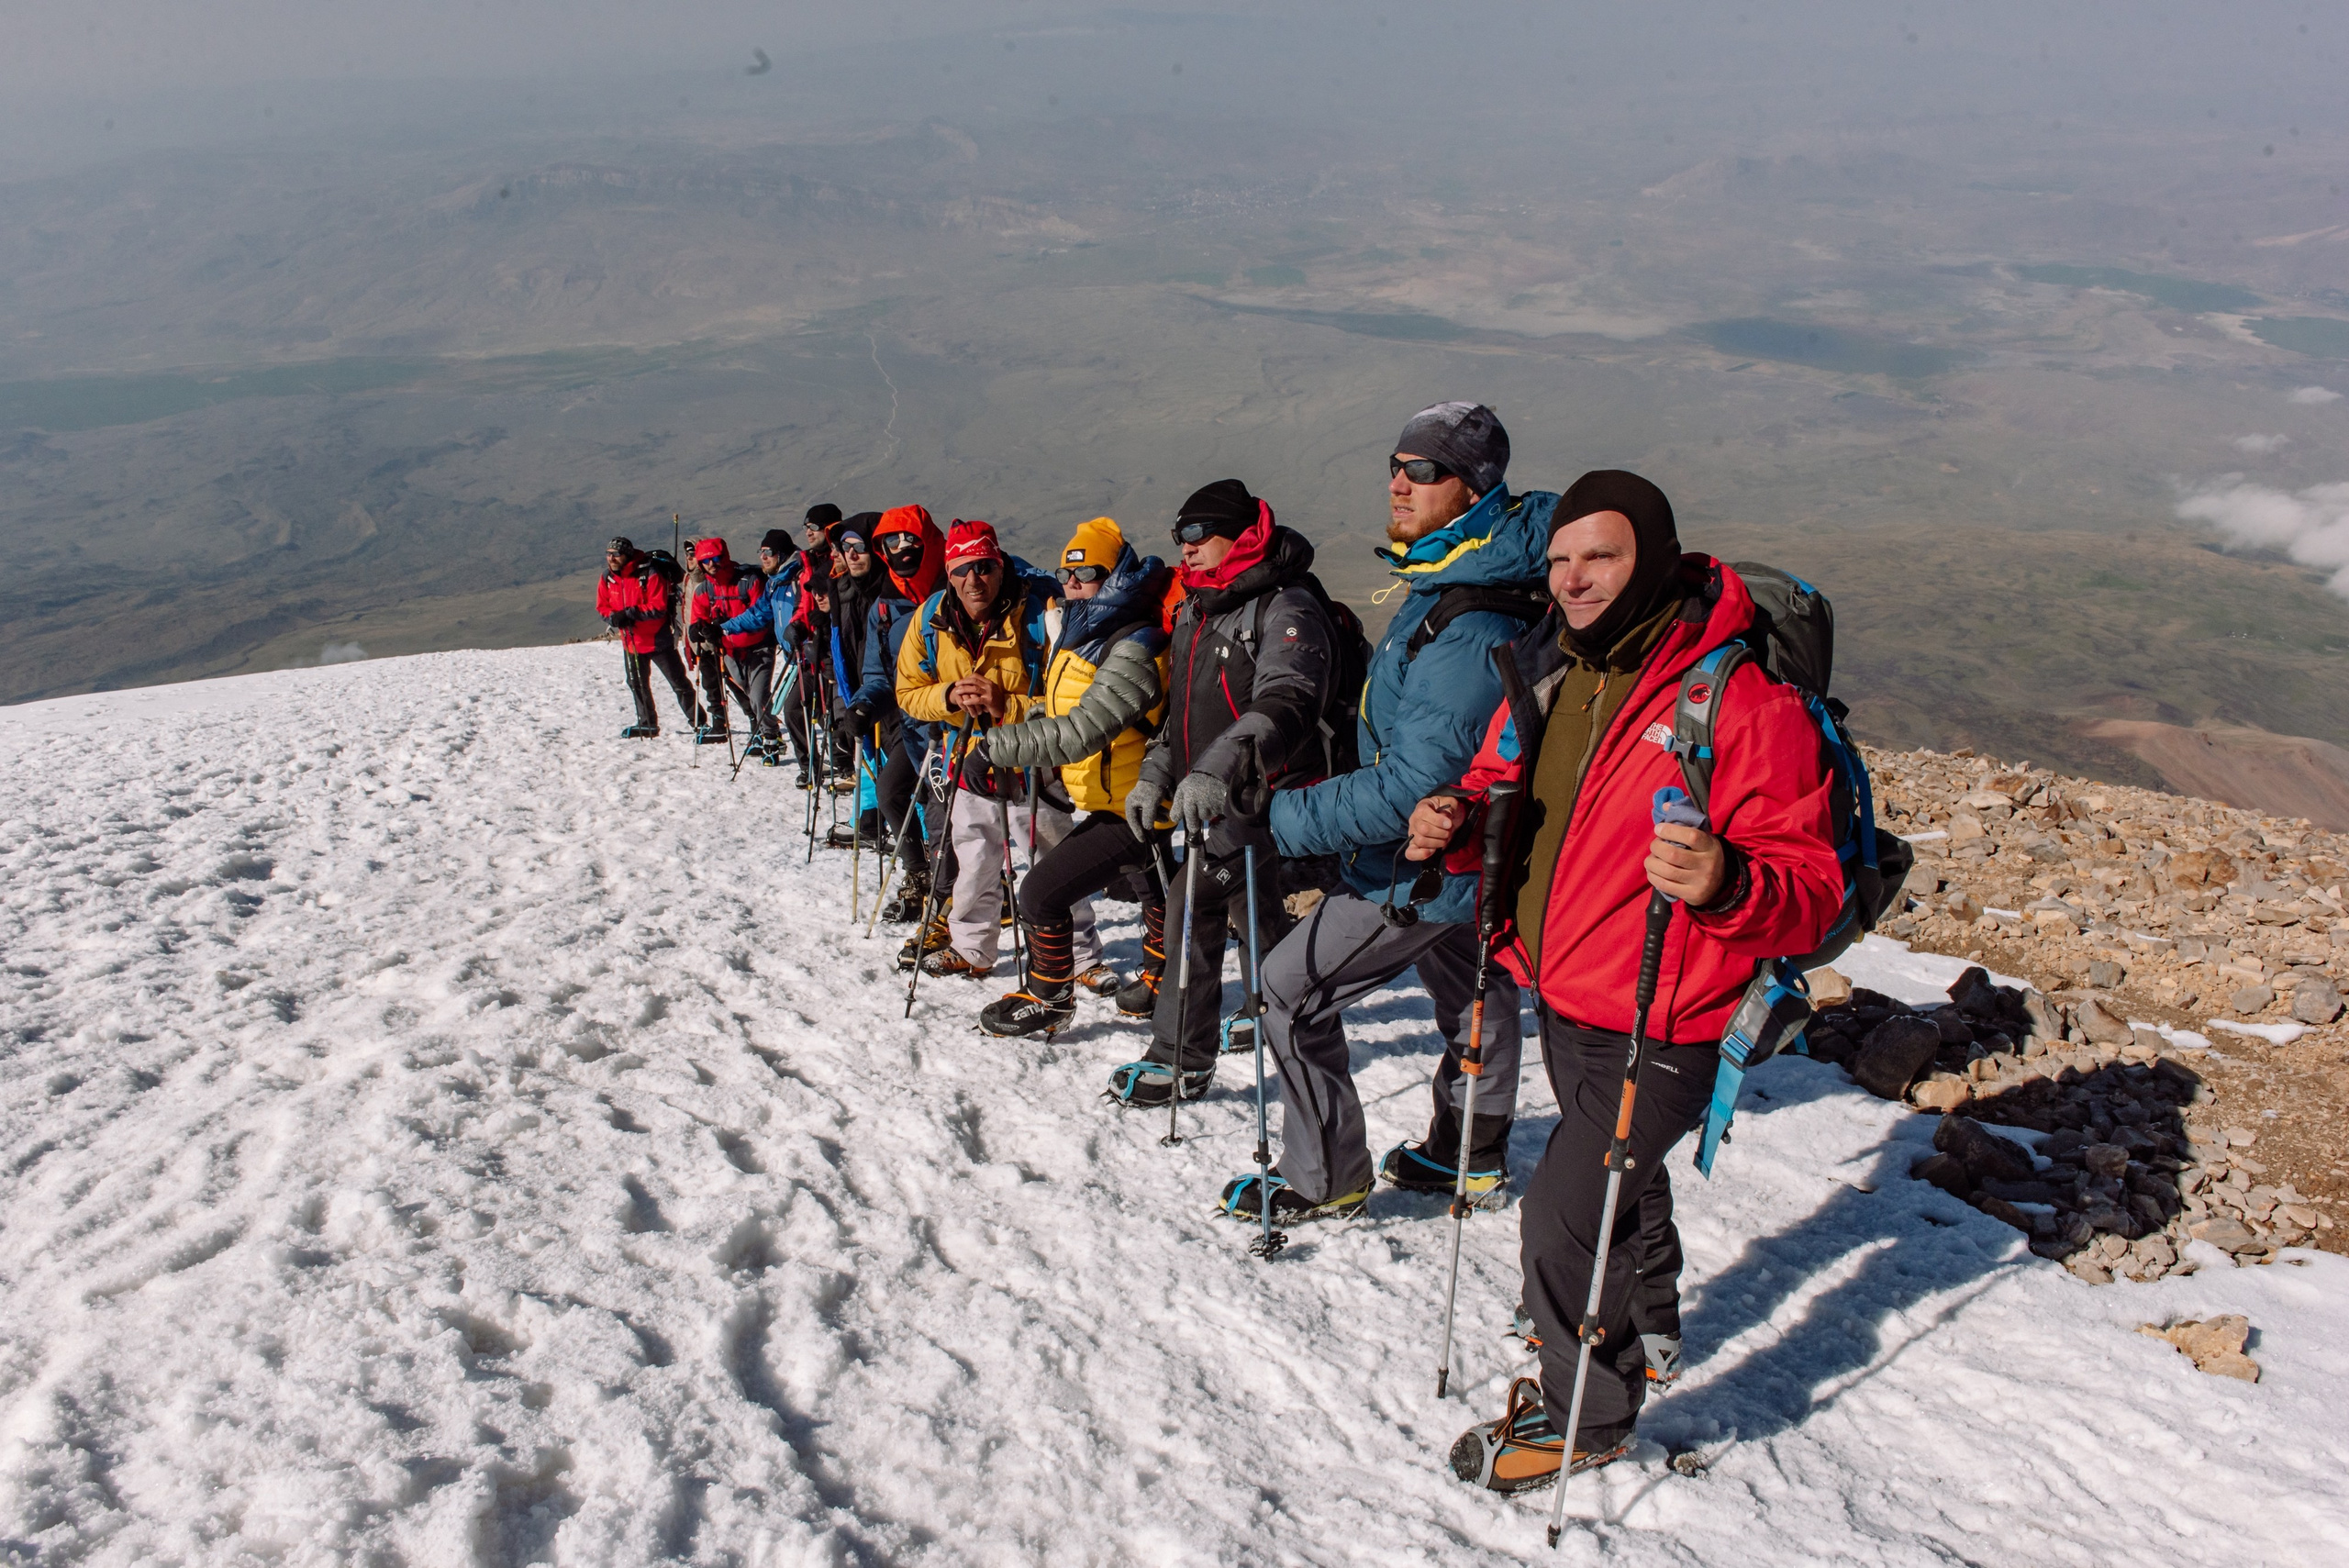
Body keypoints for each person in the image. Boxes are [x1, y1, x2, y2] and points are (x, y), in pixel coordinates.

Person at [1401, 471, 1842, 1491]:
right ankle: (1650, 1316)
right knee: (1614, 1184)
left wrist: (1728, 879)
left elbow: (1810, 890)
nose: (1571, 578)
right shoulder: (1559, 669)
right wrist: (1456, 827)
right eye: (1557, 559)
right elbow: (1499, 793)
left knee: (1561, 1209)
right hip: (1565, 988)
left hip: (1667, 1012)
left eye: (1597, 555)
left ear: (1650, 555)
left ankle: (1588, 1412)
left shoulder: (1736, 700)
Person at [1216, 403, 1553, 1226]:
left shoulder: (1470, 619)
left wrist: (1279, 820)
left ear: (1472, 486)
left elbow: (1412, 784)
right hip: (1473, 855)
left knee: (1287, 990)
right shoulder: (1465, 581)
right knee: (1472, 981)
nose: (1400, 482)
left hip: (1420, 861)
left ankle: (1324, 1174)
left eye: (1425, 469)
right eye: (1396, 464)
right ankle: (1467, 1149)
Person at [1108, 480, 1334, 1108]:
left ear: (1244, 534)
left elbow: (1287, 699)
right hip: (1216, 796)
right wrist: (1158, 771)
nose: (1186, 547)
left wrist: (1218, 769)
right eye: (1180, 534)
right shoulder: (1198, 607)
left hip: (1269, 793)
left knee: (1192, 902)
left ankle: (1181, 1057)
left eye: (1200, 533)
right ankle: (1282, 1011)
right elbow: (1183, 710)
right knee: (1251, 914)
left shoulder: (1287, 605)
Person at [972, 517, 1172, 1035]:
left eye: (1089, 572)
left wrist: (998, 747)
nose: (1074, 581)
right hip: (1122, 797)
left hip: (1139, 802)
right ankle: (1163, 976)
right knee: (1155, 885)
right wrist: (1023, 717)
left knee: (1041, 893)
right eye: (1067, 570)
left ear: (1118, 573)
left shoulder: (1135, 642)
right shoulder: (1088, 632)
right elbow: (1064, 707)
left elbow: (1084, 730)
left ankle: (1050, 995)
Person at [893, 519, 1104, 981]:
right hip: (970, 756)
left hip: (1034, 758)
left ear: (999, 564)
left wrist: (1005, 703)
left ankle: (1081, 958)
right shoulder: (928, 620)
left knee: (1054, 861)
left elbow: (1070, 694)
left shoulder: (1040, 612)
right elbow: (908, 692)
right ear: (948, 573)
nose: (974, 579)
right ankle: (972, 949)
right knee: (974, 861)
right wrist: (949, 695)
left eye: (984, 567)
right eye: (963, 569)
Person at [820, 514, 893, 848]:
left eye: (858, 547)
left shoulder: (891, 590)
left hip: (891, 693)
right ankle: (868, 821)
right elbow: (844, 644)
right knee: (866, 755)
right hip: (859, 686)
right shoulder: (842, 590)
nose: (849, 554)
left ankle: (917, 834)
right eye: (843, 547)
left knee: (897, 762)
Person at [719, 528, 806, 766]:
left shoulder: (799, 577)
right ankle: (810, 763)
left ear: (782, 554)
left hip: (809, 656)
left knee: (799, 712)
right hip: (794, 657)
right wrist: (725, 628)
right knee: (797, 712)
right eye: (761, 552)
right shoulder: (775, 583)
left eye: (768, 552)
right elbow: (758, 614)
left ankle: (826, 763)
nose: (762, 557)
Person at [596, 535, 697, 738]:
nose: (611, 558)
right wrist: (613, 618)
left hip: (658, 639)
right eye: (608, 554)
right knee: (636, 683)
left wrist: (630, 613)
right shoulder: (608, 578)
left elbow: (658, 607)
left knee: (678, 682)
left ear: (627, 555)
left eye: (616, 554)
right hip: (630, 642)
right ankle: (647, 723)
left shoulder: (649, 574)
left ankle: (698, 721)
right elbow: (602, 605)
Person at [685, 537, 770, 746]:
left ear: (725, 557)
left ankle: (768, 735)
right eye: (705, 561)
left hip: (758, 646)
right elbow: (698, 617)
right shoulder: (705, 590)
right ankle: (762, 728)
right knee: (746, 690)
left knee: (758, 695)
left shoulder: (749, 581)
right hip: (729, 650)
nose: (711, 564)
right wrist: (696, 630)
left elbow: (760, 615)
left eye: (715, 558)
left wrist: (723, 626)